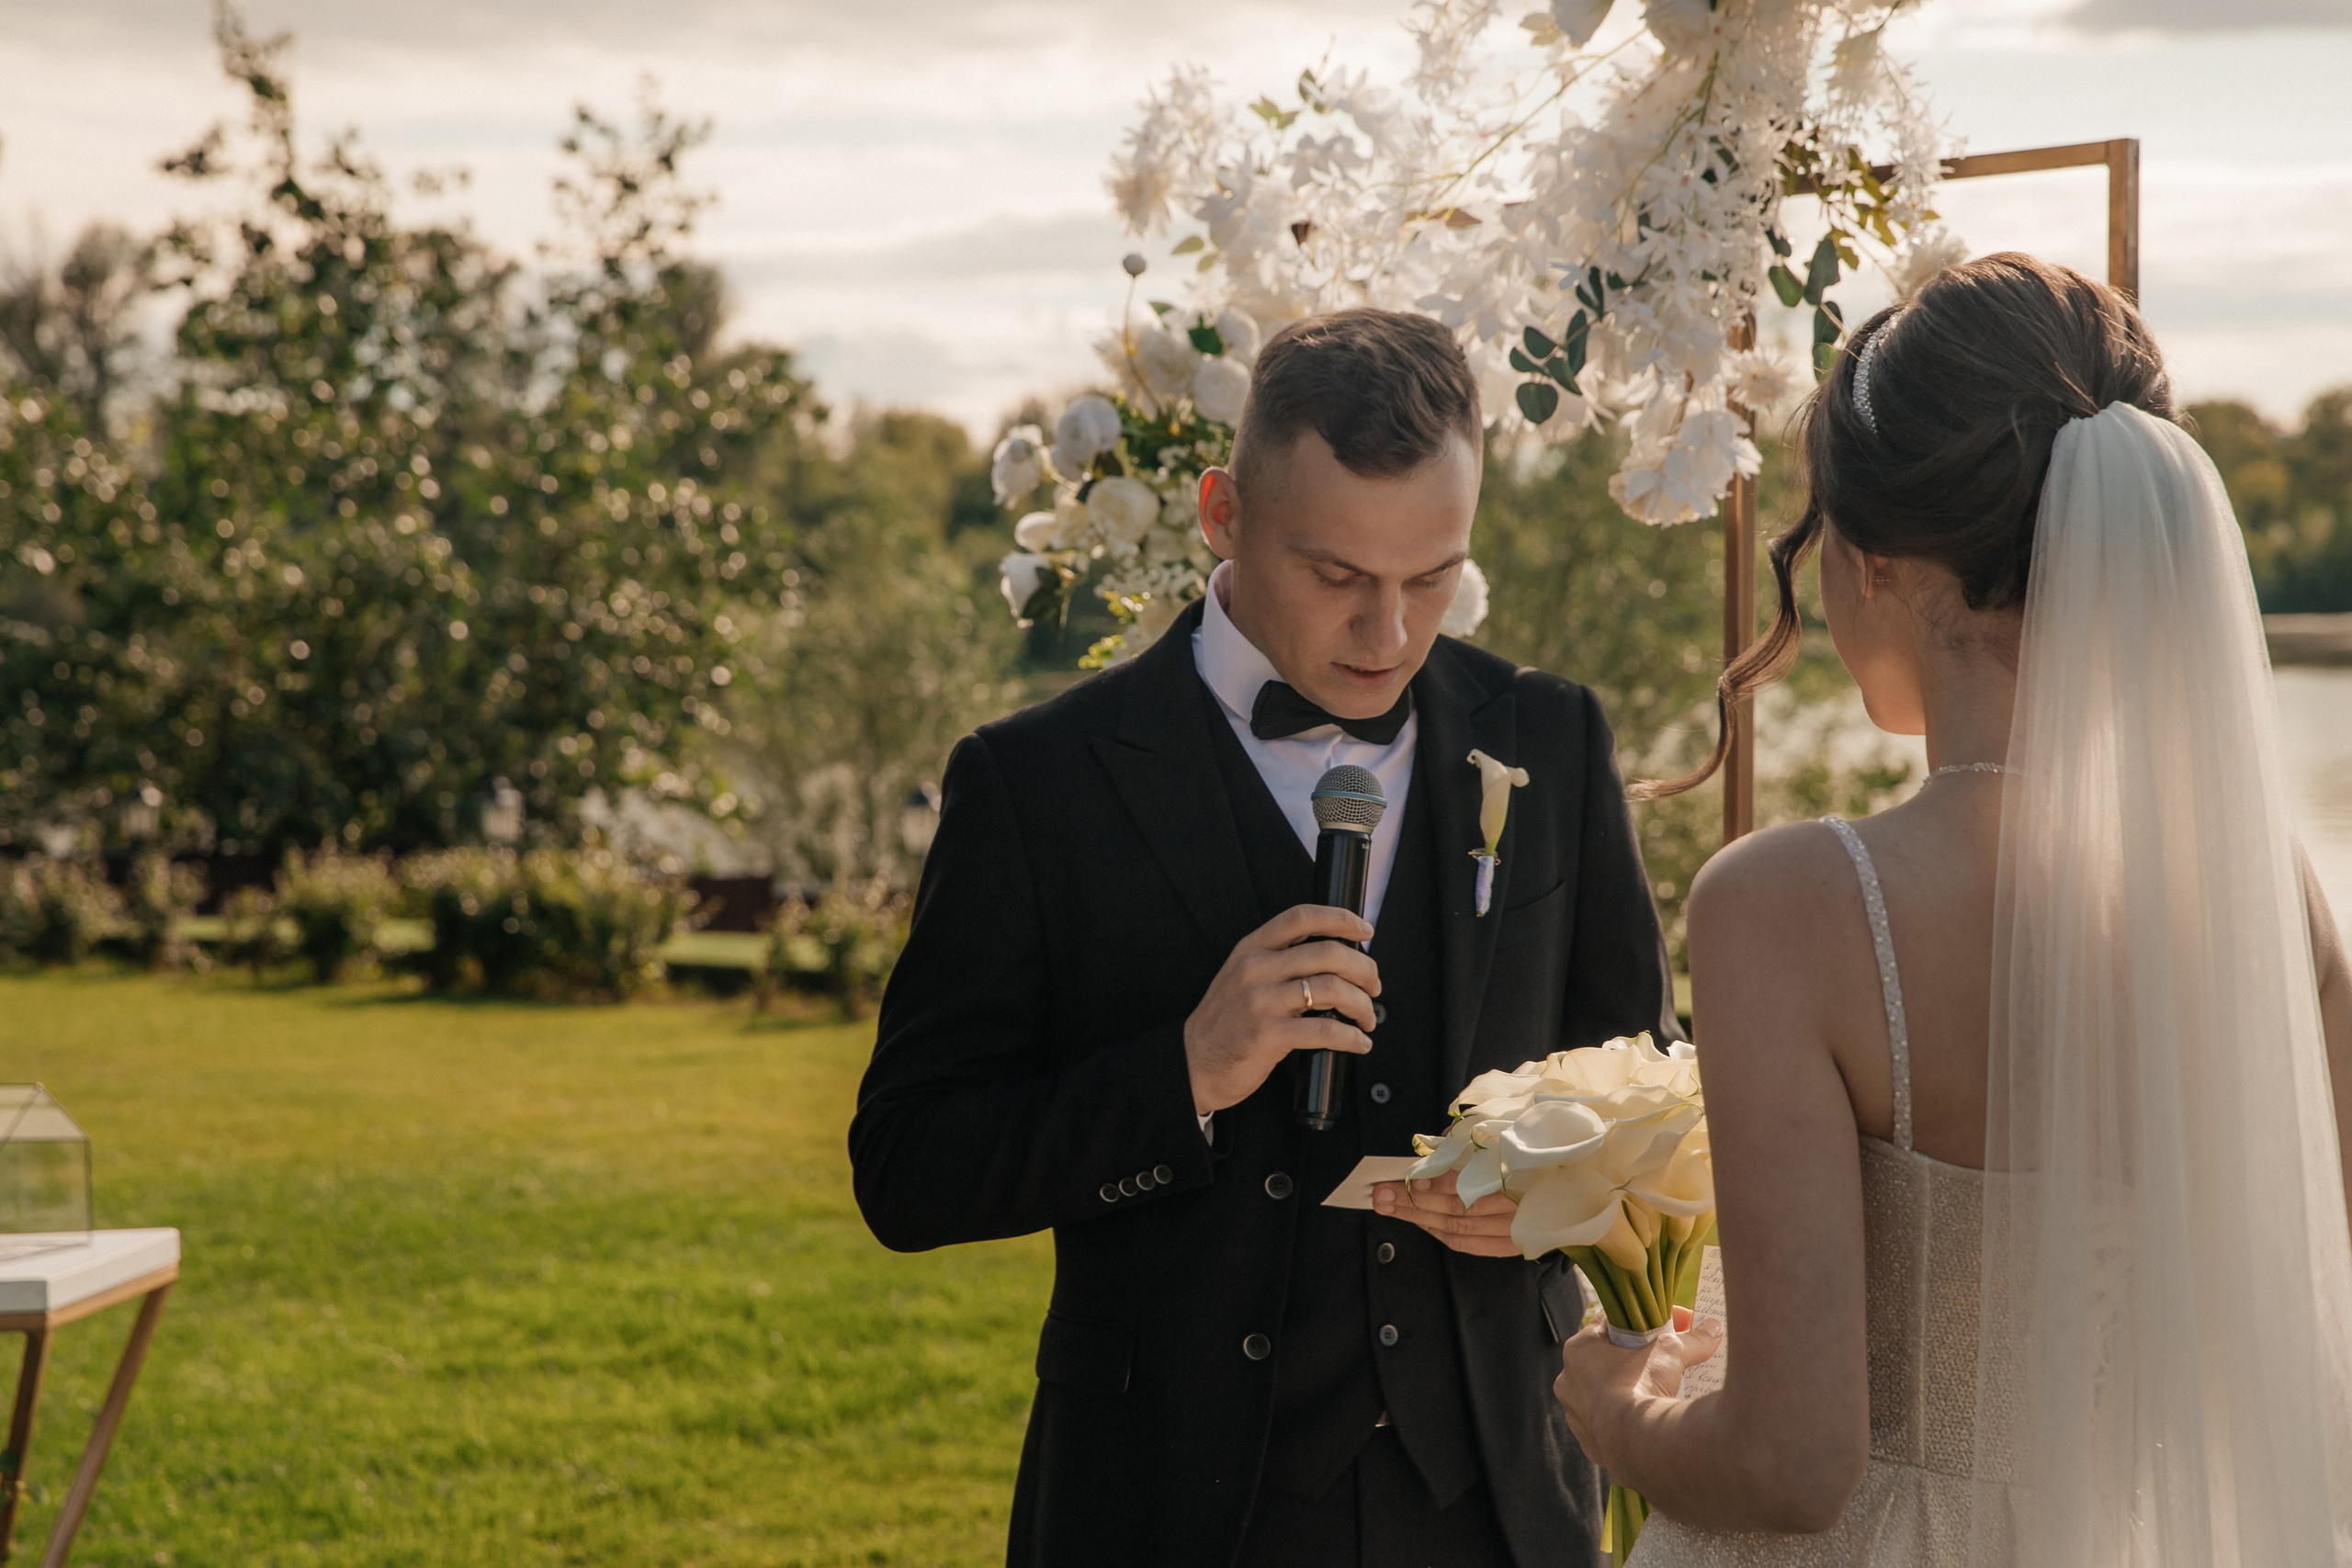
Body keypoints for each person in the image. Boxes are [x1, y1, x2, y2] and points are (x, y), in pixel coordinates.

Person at [1551, 254, 2352, 1564]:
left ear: (1870, 565)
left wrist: (1620, 1415)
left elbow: (1793, 1465)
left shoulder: (1792, 906)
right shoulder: (2274, 892)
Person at [850, 308, 1680, 1568]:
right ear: (1221, 514)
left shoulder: (1550, 739)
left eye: (1431, 578)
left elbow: (1648, 1092)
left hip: (1500, 1507)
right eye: (1337, 575)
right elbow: (909, 1170)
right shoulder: (1040, 784)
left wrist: (1549, 1204)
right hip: (1166, 1507)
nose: (1390, 635)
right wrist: (1181, 1074)